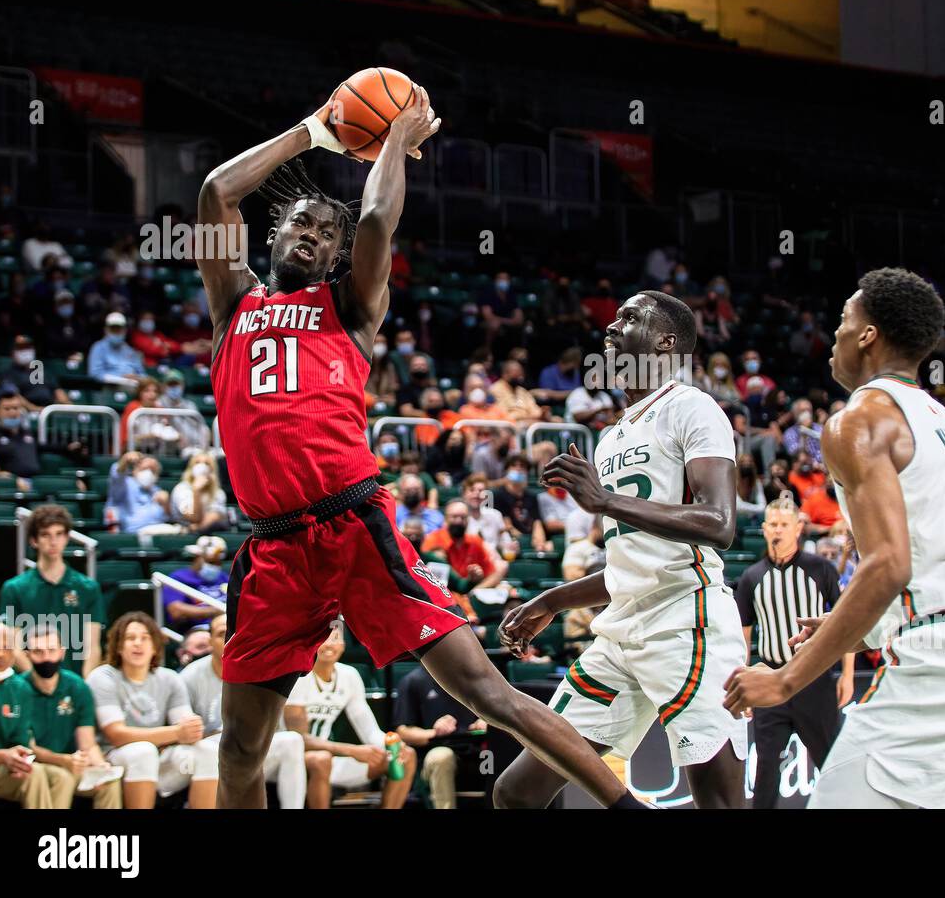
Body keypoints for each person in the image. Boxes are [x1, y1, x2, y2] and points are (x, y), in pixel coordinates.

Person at [194, 89, 638, 810]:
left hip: (355, 526)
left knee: (489, 693)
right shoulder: (230, 307)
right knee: (241, 746)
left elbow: (374, 218)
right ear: (273, 236)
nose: (311, 234)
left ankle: (626, 807)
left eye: (324, 235)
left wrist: (393, 139)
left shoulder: (348, 307)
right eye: (299, 224)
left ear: (338, 258)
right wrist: (314, 132)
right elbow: (216, 191)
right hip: (273, 548)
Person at [722, 268, 945, 809]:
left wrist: (784, 682)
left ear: (868, 335)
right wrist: (860, 628)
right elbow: (933, 560)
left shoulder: (856, 421)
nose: (836, 336)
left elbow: (890, 565)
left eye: (845, 322)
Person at [498, 289, 748, 809]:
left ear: (666, 342)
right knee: (516, 791)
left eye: (627, 319)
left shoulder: (693, 408)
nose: (609, 330)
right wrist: (549, 602)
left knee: (719, 802)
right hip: (620, 632)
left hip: (686, 621)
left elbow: (721, 524)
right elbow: (627, 562)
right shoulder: (611, 437)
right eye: (612, 320)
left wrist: (603, 499)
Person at [734, 496, 852, 809]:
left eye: (784, 524)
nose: (778, 530)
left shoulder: (821, 569)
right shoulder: (750, 578)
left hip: (814, 678)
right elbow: (743, 640)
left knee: (831, 762)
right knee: (765, 772)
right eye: (772, 524)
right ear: (763, 528)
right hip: (771, 681)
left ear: (798, 528)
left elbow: (846, 624)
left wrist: (848, 675)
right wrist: (744, 685)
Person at [89, 612, 216, 809]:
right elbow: (116, 735)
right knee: (143, 751)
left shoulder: (169, 678)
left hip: (157, 756)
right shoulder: (103, 677)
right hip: (112, 759)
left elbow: (187, 728)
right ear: (118, 646)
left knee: (208, 750)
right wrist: (175, 733)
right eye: (130, 638)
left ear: (155, 646)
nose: (138, 643)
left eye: (145, 638)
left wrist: (192, 729)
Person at [182, 615, 307, 809]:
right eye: (221, 634)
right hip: (211, 745)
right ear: (210, 642)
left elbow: (274, 725)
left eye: (230, 633)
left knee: (292, 740)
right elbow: (186, 729)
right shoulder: (191, 675)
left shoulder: (259, 666)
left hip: (254, 743)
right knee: (211, 749)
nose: (226, 640)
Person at [285, 626, 415, 809]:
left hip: (329, 758)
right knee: (321, 759)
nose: (329, 644)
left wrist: (390, 744)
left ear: (344, 645)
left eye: (336, 638)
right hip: (290, 759)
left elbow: (369, 731)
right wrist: (352, 750)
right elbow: (298, 740)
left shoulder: (349, 675)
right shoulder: (298, 676)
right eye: (324, 638)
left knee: (407, 755)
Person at [13, 624, 122, 808]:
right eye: (38, 651)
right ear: (27, 654)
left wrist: (100, 765)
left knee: (108, 782)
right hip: (38, 765)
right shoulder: (17, 689)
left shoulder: (77, 687)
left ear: (62, 652)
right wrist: (63, 761)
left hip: (71, 764)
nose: (46, 658)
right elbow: (27, 747)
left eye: (51, 650)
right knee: (62, 777)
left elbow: (87, 742)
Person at [1, 504, 104, 677]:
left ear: (67, 538)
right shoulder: (14, 589)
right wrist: (42, 682)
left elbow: (92, 648)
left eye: (59, 534)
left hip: (75, 685)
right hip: (30, 689)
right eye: (45, 535)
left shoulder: (88, 588)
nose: (53, 541)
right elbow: (15, 648)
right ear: (34, 540)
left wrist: (81, 687)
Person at [0, 621, 66, 808]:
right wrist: (2, 756)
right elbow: (4, 755)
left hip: (1, 770)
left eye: (6, 647)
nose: (0, 653)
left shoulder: (20, 688)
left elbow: (19, 741)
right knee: (36, 774)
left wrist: (19, 758)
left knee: (61, 778)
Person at [394, 664, 486, 810]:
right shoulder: (413, 680)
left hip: (475, 749)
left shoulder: (471, 678)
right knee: (441, 757)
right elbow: (403, 731)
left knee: (497, 754)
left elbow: (489, 712)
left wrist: (486, 721)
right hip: (433, 752)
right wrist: (434, 733)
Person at [422, 500, 507, 589]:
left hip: (469, 594)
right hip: (442, 593)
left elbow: (490, 572)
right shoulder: (433, 540)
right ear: (445, 519)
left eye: (463, 517)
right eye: (454, 517)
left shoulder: (475, 541)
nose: (459, 521)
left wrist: (477, 581)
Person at [164, 536, 228, 633]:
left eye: (218, 563)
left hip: (228, 627)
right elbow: (176, 610)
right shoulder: (179, 577)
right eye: (210, 562)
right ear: (197, 557)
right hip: (199, 631)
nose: (215, 566)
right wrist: (218, 610)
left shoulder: (225, 578)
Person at [493, 455, 552, 552]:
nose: (518, 469)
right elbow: (506, 525)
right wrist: (525, 541)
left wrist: (539, 541)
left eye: (522, 466)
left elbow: (537, 523)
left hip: (532, 538)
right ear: (507, 471)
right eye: (514, 466)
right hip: (511, 540)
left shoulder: (532, 497)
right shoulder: (499, 495)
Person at [103, 451, 172, 534]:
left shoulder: (157, 491)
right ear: (135, 470)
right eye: (145, 469)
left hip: (157, 533)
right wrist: (125, 460)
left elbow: (167, 518)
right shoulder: (125, 484)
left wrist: (166, 505)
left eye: (152, 470)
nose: (148, 473)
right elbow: (117, 474)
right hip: (131, 535)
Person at [169, 451, 228, 533]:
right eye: (197, 462)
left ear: (212, 470)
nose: (202, 466)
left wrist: (196, 528)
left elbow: (215, 516)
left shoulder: (218, 492)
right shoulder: (181, 488)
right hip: (181, 536)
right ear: (191, 468)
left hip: (206, 532)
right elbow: (195, 518)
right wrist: (196, 490)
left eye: (207, 463)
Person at [87, 311, 143, 385]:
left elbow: (142, 374)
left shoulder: (130, 350)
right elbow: (95, 374)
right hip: (108, 388)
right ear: (106, 330)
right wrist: (121, 378)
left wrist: (137, 378)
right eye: (113, 329)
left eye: (119, 329)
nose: (116, 332)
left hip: (132, 387)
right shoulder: (98, 348)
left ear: (125, 330)